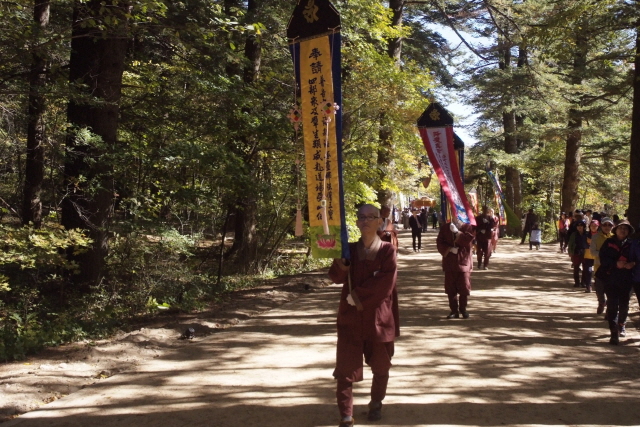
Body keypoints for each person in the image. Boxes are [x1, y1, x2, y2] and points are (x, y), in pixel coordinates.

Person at [328, 204, 400, 426]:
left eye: (371, 217)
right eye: (361, 217)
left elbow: (386, 283)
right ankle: (346, 415)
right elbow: (335, 277)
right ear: (357, 222)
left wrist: (358, 296)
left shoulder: (388, 250)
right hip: (351, 318)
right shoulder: (348, 249)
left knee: (381, 366)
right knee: (345, 369)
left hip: (378, 318)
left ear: (380, 221)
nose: (366, 220)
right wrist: (342, 266)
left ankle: (376, 402)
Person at [595, 220, 634, 345]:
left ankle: (621, 324)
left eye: (625, 229)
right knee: (612, 305)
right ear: (615, 230)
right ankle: (614, 332)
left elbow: (637, 258)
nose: (623, 230)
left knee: (624, 305)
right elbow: (603, 258)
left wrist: (632, 264)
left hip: (627, 279)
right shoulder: (608, 242)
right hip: (610, 278)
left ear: (628, 232)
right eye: (620, 228)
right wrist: (615, 264)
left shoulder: (632, 244)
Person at [436, 220, 475, 318]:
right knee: (450, 288)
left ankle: (463, 309)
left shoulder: (468, 227)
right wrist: (449, 249)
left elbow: (468, 240)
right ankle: (454, 310)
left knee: (464, 287)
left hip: (464, 261)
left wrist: (458, 233)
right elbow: (439, 242)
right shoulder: (445, 227)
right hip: (450, 261)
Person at [590, 217, 615, 314]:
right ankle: (601, 302)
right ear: (601, 226)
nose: (607, 227)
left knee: (611, 290)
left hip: (612, 269)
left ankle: (610, 310)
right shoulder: (595, 237)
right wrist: (603, 255)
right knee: (599, 289)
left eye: (609, 225)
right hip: (599, 268)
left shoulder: (614, 237)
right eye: (605, 225)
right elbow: (592, 252)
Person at [568, 220, 588, 288]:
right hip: (576, 252)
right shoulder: (574, 234)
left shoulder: (587, 234)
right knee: (576, 268)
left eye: (581, 226)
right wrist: (570, 252)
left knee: (585, 268)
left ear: (583, 227)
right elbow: (570, 243)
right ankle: (577, 282)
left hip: (585, 253)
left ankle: (583, 282)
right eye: (578, 226)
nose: (580, 227)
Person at [475, 206, 495, 270]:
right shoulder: (478, 218)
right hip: (480, 236)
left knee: (487, 252)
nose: (485, 211)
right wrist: (480, 230)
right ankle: (479, 263)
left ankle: (485, 265)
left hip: (487, 237)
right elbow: (475, 226)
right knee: (479, 251)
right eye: (484, 210)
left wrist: (488, 223)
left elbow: (492, 225)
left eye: (486, 210)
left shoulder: (490, 218)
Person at [581, 220, 599, 292]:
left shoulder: (600, 235)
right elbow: (583, 244)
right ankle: (588, 286)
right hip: (588, 255)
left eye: (595, 226)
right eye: (592, 226)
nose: (593, 227)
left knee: (597, 271)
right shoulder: (586, 234)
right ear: (590, 226)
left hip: (597, 256)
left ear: (598, 227)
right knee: (588, 271)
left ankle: (597, 285)